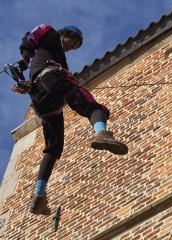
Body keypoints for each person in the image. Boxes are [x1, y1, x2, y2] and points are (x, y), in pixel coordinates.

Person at [17, 24, 128, 215]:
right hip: (53, 80)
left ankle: (39, 197)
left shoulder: (47, 56)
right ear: (64, 35)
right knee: (92, 105)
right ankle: (102, 133)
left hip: (42, 101)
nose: (72, 47)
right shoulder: (51, 37)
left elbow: (32, 68)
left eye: (76, 46)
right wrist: (24, 58)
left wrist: (24, 83)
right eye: (73, 42)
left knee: (54, 147)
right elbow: (33, 34)